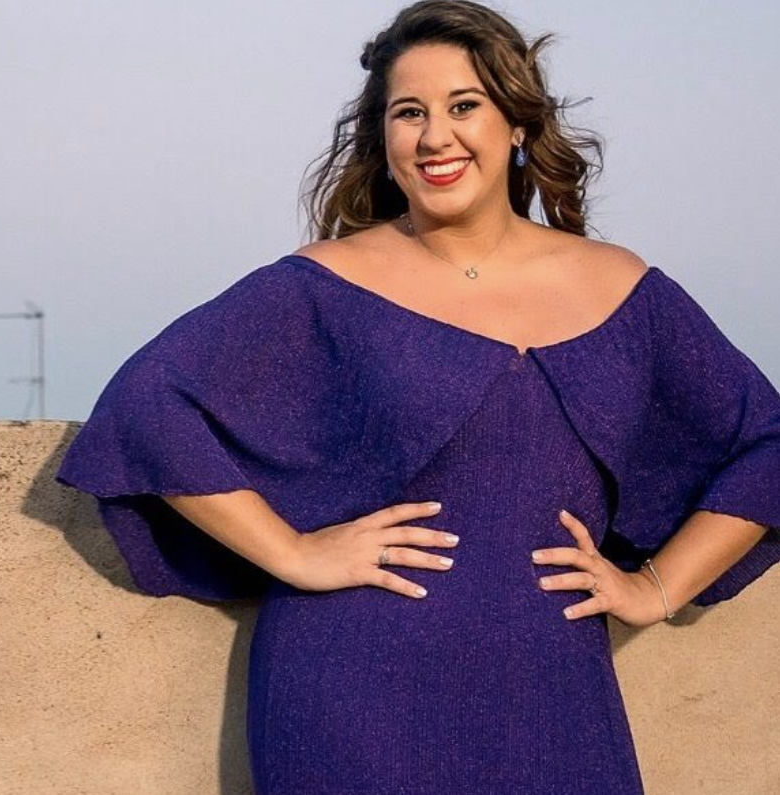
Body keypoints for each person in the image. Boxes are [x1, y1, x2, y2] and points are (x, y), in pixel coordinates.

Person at [55, 1, 780, 793]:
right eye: (409, 113)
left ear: (517, 123)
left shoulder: (623, 289)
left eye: (463, 106)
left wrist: (657, 586)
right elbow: (148, 406)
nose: (435, 137)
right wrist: (293, 551)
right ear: (384, 139)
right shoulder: (324, 283)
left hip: (554, 694)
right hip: (348, 694)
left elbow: (766, 445)